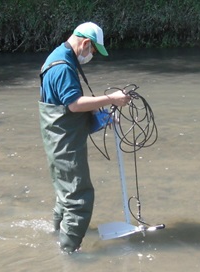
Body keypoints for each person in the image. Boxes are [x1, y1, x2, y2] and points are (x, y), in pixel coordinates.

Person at [38, 22, 130, 253]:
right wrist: (110, 98)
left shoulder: (61, 56)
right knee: (79, 197)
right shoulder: (63, 67)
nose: (92, 55)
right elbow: (74, 104)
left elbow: (66, 101)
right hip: (64, 143)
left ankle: (56, 235)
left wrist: (99, 114)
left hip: (59, 138)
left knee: (65, 193)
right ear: (86, 43)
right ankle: (69, 254)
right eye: (93, 51)